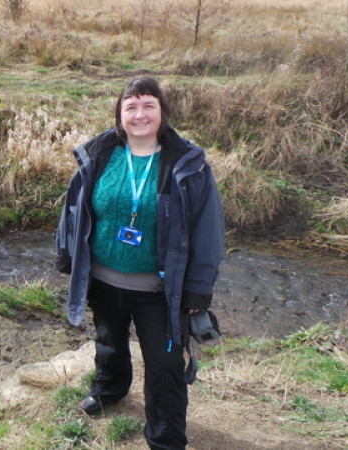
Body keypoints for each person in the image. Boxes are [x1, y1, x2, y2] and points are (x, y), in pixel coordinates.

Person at [55, 75, 224, 449]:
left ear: (163, 114)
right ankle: (109, 389)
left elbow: (207, 232)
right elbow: (74, 211)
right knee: (108, 341)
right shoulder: (100, 156)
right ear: (120, 114)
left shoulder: (187, 166)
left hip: (159, 290)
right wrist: (67, 254)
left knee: (165, 369)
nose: (139, 114)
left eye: (149, 105)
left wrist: (199, 289)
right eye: (130, 106)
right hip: (103, 281)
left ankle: (165, 439)